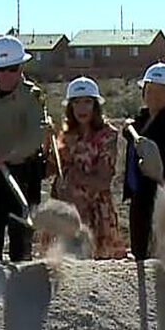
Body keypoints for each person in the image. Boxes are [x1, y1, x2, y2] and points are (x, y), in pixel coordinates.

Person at [0, 35, 50, 262]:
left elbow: (36, 134)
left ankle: (20, 290)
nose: (5, 75)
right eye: (0, 69)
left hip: (22, 173)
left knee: (20, 240)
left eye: (12, 69)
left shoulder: (31, 96)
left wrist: (10, 156)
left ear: (21, 67)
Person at [49, 77, 125, 259]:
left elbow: (103, 181)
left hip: (95, 213)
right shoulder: (65, 134)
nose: (82, 108)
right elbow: (51, 169)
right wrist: (47, 143)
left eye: (87, 102)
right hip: (65, 211)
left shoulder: (108, 135)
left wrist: (75, 175)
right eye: (76, 102)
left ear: (95, 105)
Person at [122, 62, 165, 260]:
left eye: (160, 92)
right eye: (150, 91)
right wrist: (129, 130)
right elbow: (131, 134)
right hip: (139, 194)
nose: (154, 97)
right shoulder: (140, 120)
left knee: (164, 247)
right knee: (140, 245)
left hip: (162, 192)